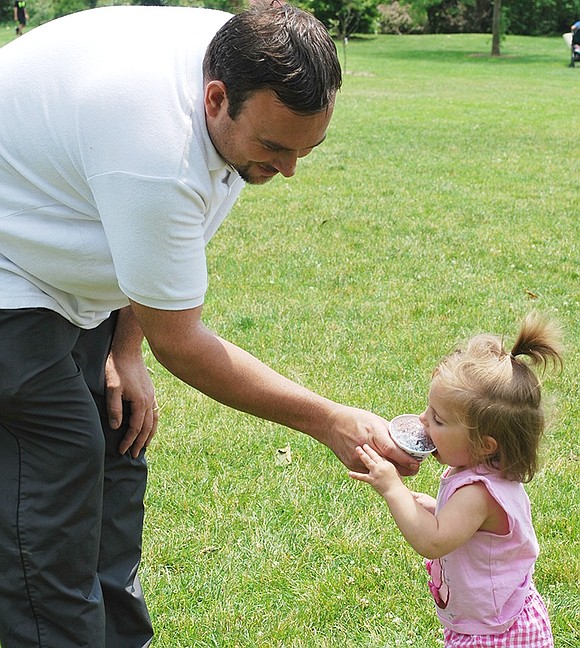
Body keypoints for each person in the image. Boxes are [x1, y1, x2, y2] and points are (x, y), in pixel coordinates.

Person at [0, 4, 419, 647]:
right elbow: (185, 343)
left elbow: (164, 258)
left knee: (117, 446)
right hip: (10, 271)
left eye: (308, 148)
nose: (288, 171)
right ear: (215, 99)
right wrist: (328, 419)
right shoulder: (155, 153)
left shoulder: (247, 52)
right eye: (274, 147)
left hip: (60, 241)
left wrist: (125, 349)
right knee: (56, 472)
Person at [350, 312, 562, 647]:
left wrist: (393, 488)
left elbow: (433, 542)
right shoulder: (482, 474)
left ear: (483, 444)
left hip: (496, 635)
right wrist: (437, 508)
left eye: (437, 419)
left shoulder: (478, 493)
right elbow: (479, 532)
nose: (422, 421)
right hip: (496, 619)